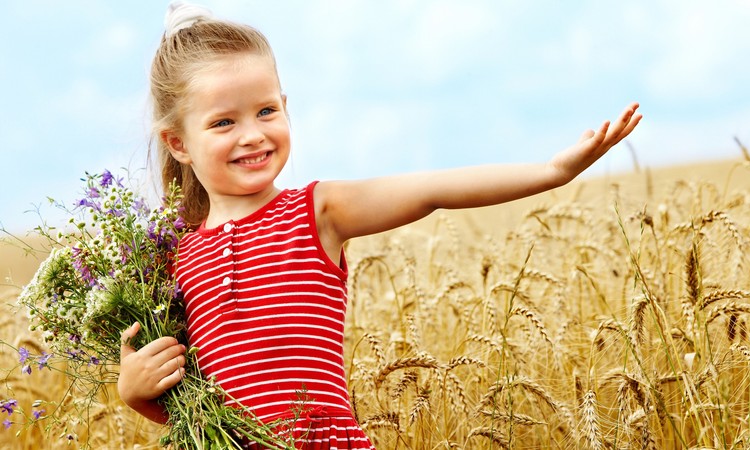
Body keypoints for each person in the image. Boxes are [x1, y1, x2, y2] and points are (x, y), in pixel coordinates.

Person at [116, 2, 641, 449]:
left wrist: (552, 172)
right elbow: (199, 415)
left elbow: (433, 191)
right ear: (178, 143)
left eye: (267, 111)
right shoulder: (171, 259)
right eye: (224, 122)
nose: (253, 135)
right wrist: (136, 394)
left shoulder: (317, 211)